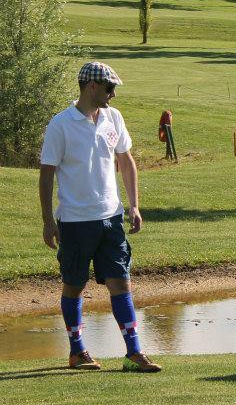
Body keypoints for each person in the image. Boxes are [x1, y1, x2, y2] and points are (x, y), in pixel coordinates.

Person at [39, 62, 161, 372]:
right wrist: (47, 221)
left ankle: (134, 353)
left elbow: (126, 160)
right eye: (110, 88)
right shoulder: (61, 125)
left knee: (121, 282)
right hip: (75, 221)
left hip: (111, 218)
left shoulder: (113, 118)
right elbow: (47, 173)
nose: (113, 94)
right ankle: (77, 351)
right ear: (92, 87)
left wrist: (134, 205)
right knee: (74, 285)